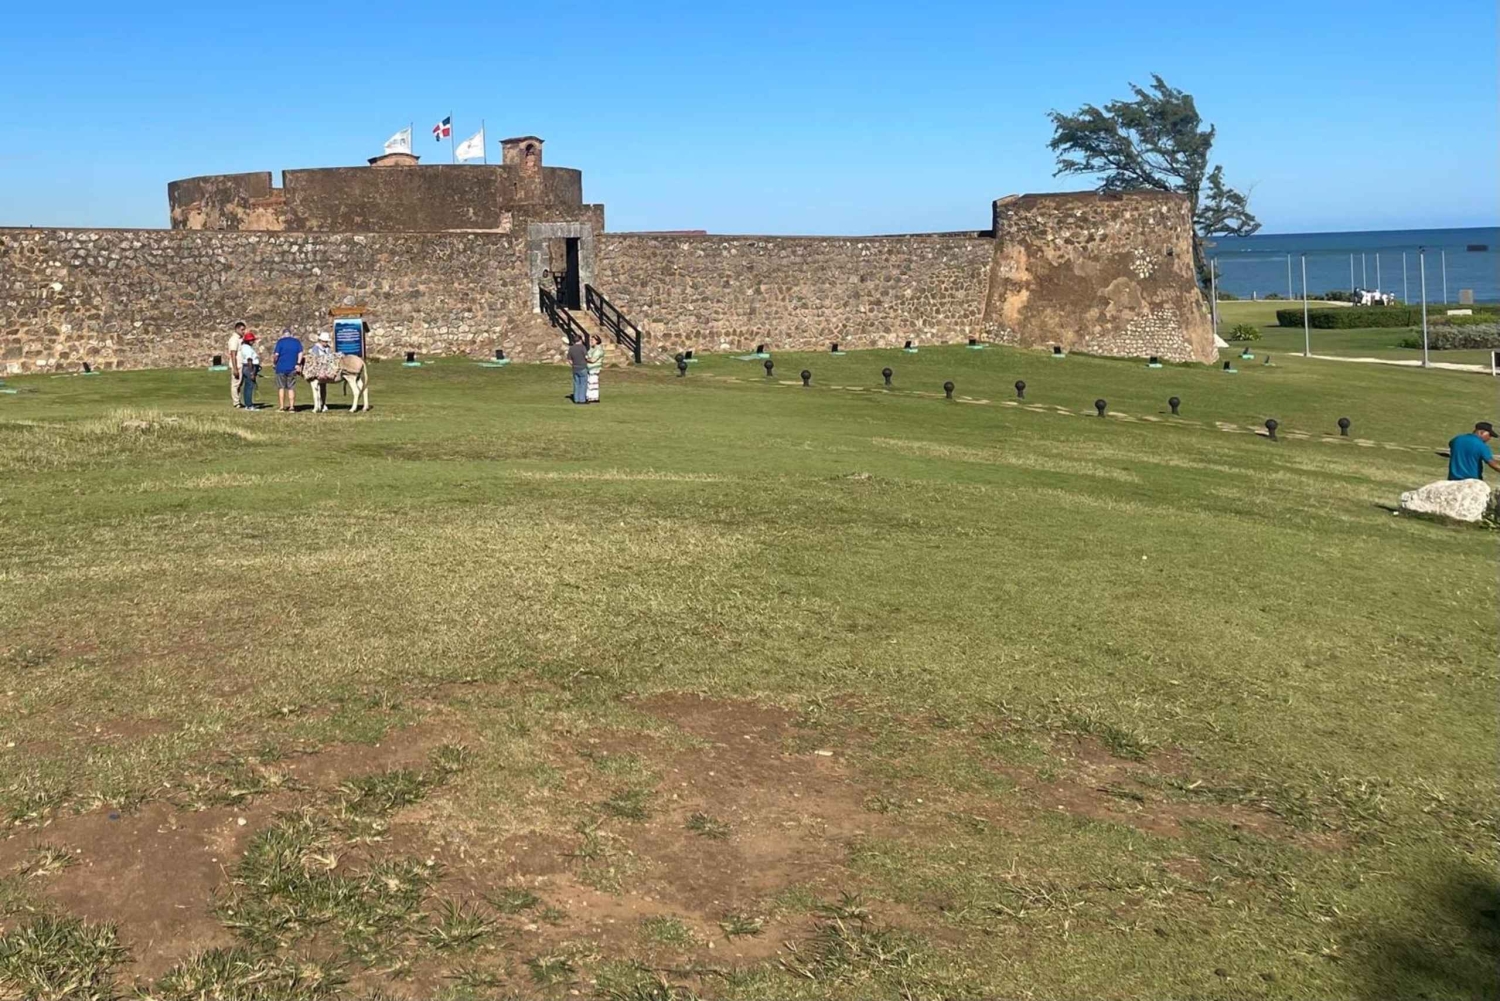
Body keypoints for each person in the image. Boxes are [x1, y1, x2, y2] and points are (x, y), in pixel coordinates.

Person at [272, 327, 304, 412]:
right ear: (291, 334)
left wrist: (274, 362)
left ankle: (282, 407)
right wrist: (298, 363)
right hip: (292, 367)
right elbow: (300, 353)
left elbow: (276, 355)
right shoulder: (296, 342)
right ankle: (292, 407)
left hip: (281, 367)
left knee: (281, 387)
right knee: (291, 388)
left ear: (283, 335)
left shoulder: (280, 342)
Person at [238, 331, 261, 409]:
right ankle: (249, 405)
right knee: (249, 386)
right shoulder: (247, 348)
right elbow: (249, 360)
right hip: (249, 368)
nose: (253, 341)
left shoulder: (245, 347)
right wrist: (252, 372)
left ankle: (247, 404)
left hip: (247, 367)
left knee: (247, 386)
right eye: (252, 340)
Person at [228, 321, 246, 408]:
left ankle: (238, 400)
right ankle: (236, 402)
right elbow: (233, 354)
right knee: (235, 384)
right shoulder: (234, 339)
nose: (243, 331)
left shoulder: (240, 339)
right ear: (237, 329)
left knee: (239, 384)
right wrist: (235, 368)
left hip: (241, 363)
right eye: (242, 330)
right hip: (237, 365)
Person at [567, 334, 589, 404]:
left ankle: (576, 399)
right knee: (583, 384)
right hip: (582, 367)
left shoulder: (571, 348)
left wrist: (573, 365)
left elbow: (569, 360)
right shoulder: (582, 347)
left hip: (575, 368)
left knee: (576, 384)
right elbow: (586, 357)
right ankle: (582, 399)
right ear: (580, 340)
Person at [585, 334, 604, 402]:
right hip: (589, 369)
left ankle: (593, 397)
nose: (591, 341)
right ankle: (590, 396)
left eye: (592, 340)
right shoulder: (592, 348)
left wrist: (585, 359)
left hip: (594, 369)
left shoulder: (598, 350)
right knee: (589, 383)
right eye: (591, 340)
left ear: (597, 341)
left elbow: (593, 360)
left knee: (593, 383)